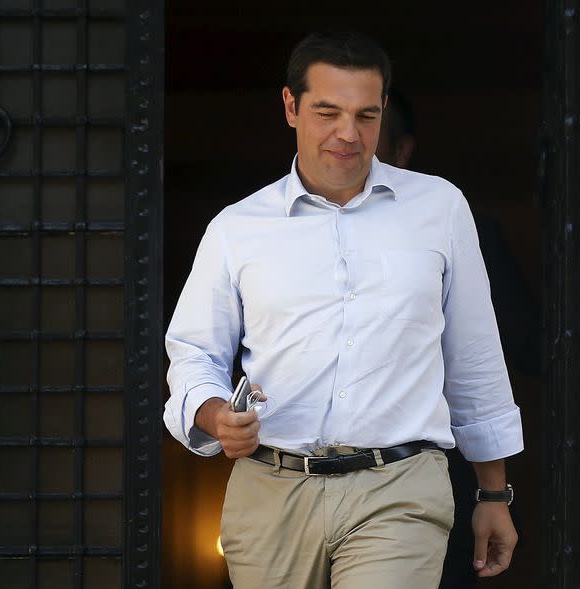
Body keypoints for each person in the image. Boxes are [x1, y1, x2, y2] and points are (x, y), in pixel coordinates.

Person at [163, 32, 523, 589]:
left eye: (366, 115)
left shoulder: (441, 208)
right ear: (290, 107)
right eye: (327, 112)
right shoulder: (237, 228)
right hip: (271, 488)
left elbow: (474, 357)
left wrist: (493, 492)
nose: (348, 135)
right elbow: (193, 353)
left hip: (399, 485)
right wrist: (215, 416)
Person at [376, 88, 539, 589]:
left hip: (435, 471)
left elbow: (506, 351)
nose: (347, 140)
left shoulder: (465, 228)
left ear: (402, 151)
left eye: (367, 125)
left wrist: (493, 493)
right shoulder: (271, 225)